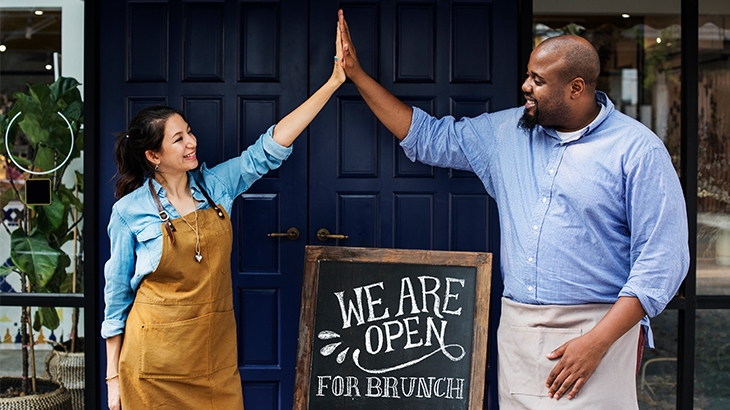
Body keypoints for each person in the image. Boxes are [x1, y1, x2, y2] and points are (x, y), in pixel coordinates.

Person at [337, 10, 689, 409]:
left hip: (600, 331)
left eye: (537, 80)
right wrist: (357, 75)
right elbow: (429, 137)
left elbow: (662, 264)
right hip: (519, 327)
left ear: (576, 88)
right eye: (528, 74)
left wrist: (596, 342)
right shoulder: (507, 132)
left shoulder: (638, 151)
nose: (525, 86)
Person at [101, 25, 345, 410]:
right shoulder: (129, 212)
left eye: (190, 132)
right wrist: (113, 379)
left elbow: (269, 148)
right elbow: (115, 303)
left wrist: (332, 84)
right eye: (178, 139)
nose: (191, 142)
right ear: (153, 155)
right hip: (153, 369)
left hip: (213, 359)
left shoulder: (215, 186)